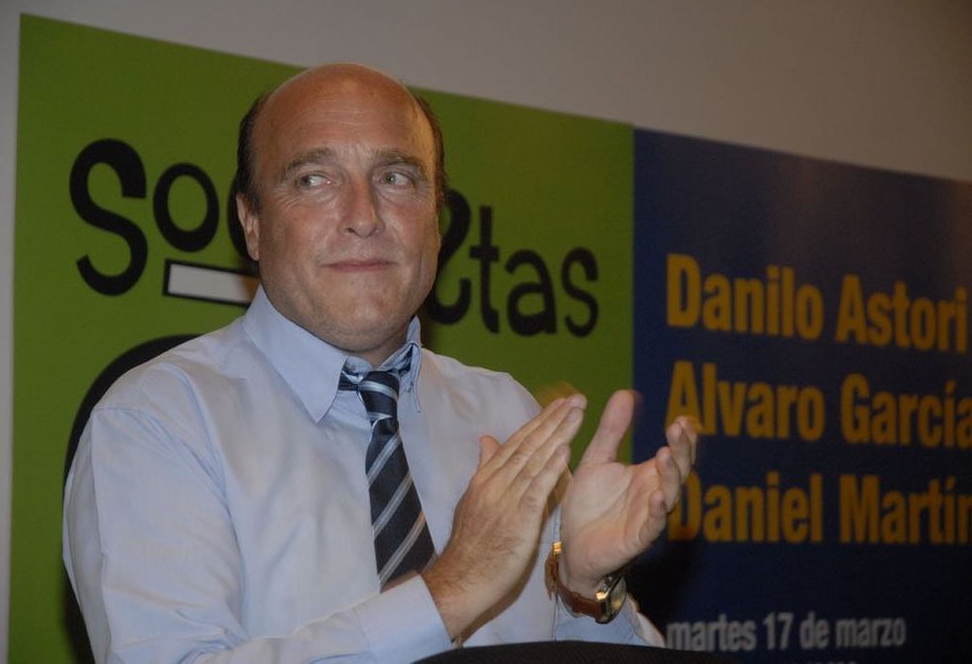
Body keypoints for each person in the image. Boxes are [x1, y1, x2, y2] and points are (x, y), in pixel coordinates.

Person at [63, 63, 699, 663]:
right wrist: (450, 590)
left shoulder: (505, 413)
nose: (364, 217)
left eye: (396, 178)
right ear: (251, 222)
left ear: (437, 222)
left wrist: (586, 591)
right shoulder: (157, 421)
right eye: (314, 180)